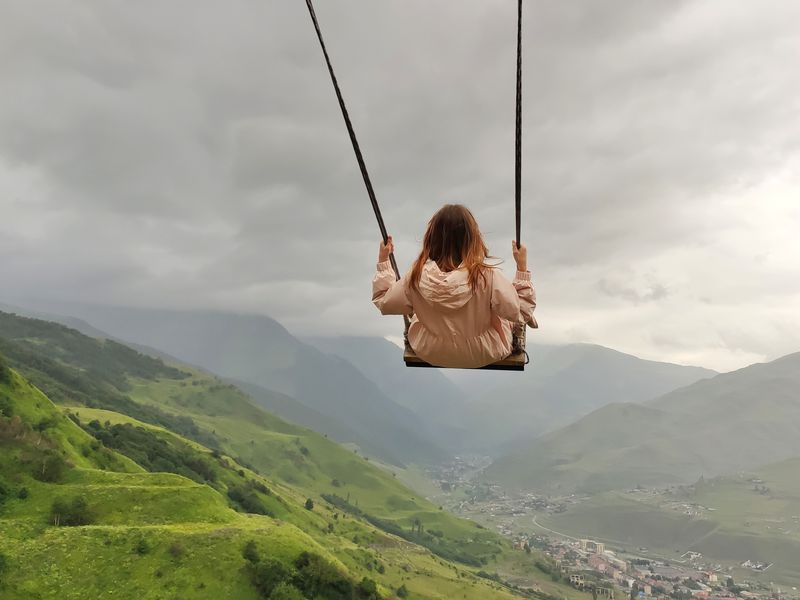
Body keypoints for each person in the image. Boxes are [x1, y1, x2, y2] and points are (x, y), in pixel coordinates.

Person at [372, 204, 537, 368]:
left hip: (430, 350)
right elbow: (522, 311)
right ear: (473, 239)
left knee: (417, 310)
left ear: (431, 239)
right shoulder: (487, 277)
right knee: (504, 311)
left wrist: (383, 260)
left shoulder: (415, 277)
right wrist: (522, 268)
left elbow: (384, 302)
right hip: (485, 351)